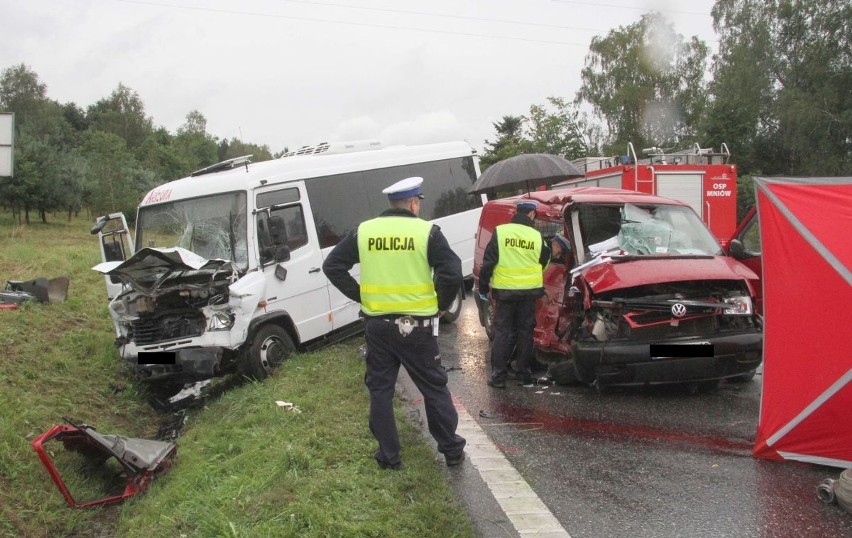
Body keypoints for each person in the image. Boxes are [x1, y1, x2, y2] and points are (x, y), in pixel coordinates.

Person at [322, 176, 466, 470]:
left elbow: (332, 266)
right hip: (418, 327)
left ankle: (389, 457)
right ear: (414, 204)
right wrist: (439, 305)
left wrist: (360, 295)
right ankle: (451, 450)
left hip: (378, 327)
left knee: (381, 390)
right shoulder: (427, 232)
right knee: (433, 387)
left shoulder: (363, 232)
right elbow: (451, 272)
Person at [478, 199, 550, 388]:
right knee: (525, 333)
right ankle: (524, 375)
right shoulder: (536, 236)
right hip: (529, 293)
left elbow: (488, 263)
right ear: (532, 214)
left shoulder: (501, 232)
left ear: (516, 212)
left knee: (502, 332)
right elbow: (545, 260)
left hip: (505, 293)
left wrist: (484, 288)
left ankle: (499, 377)